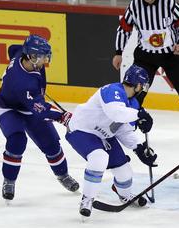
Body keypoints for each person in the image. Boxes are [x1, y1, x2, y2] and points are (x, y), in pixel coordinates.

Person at [0, 34, 79, 203]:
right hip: (9, 109)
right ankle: (9, 180)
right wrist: (63, 116)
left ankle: (63, 175)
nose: (45, 62)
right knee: (17, 141)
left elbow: (13, 48)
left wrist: (36, 91)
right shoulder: (21, 82)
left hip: (29, 102)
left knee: (52, 144)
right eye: (43, 57)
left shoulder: (22, 54)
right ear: (32, 57)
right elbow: (41, 109)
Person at [65, 65, 157, 218]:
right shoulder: (112, 90)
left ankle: (125, 195)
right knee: (99, 158)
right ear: (138, 85)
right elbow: (116, 113)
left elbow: (123, 130)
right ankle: (87, 198)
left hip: (104, 136)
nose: (143, 89)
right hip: (82, 130)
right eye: (143, 86)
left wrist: (139, 148)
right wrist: (140, 115)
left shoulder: (133, 104)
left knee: (125, 172)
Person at [112, 0, 179, 124]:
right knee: (132, 92)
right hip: (146, 58)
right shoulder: (134, 6)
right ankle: (125, 127)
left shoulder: (168, 2)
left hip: (172, 56)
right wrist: (118, 52)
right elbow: (124, 29)